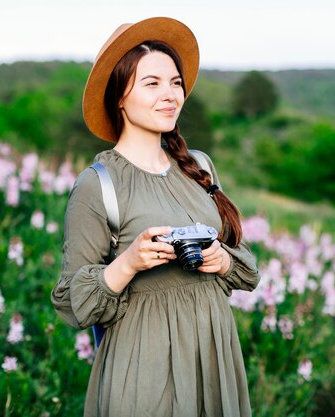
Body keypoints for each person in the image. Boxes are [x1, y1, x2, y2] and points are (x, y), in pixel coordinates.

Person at [51, 17, 260, 417]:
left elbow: (246, 267)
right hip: (144, 367)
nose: (170, 95)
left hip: (214, 357)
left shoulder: (198, 166)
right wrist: (130, 261)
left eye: (175, 83)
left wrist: (222, 259)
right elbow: (73, 301)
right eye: (152, 83)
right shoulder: (98, 185)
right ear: (120, 97)